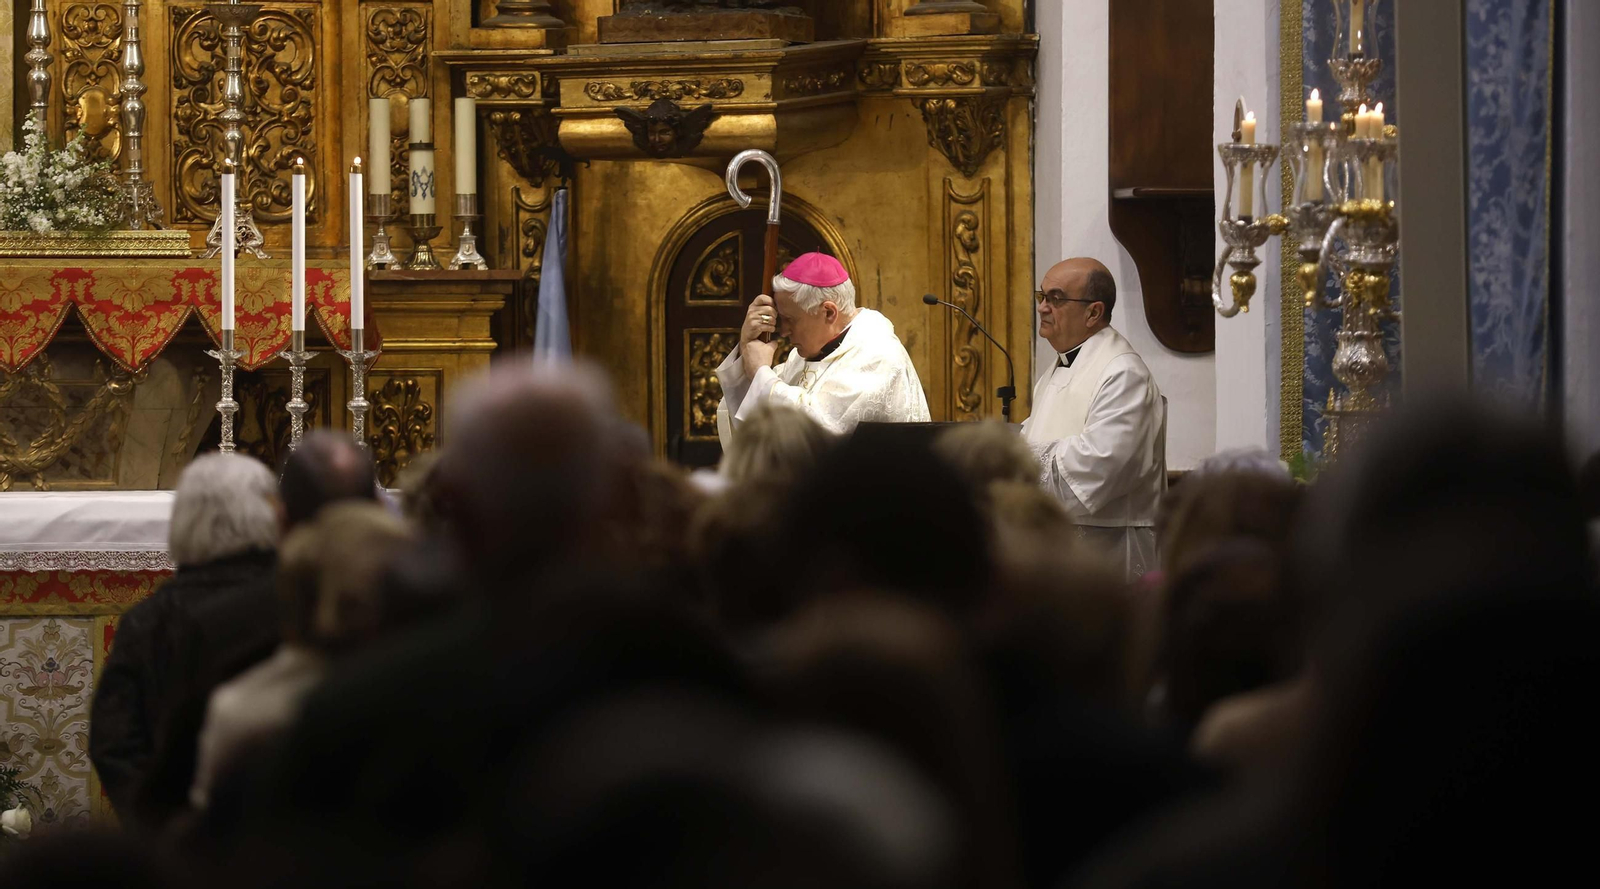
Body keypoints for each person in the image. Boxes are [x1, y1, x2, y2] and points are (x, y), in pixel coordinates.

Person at [89, 453, 280, 820]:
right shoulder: (301, 600)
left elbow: (114, 742)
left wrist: (162, 830)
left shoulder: (151, 620)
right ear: (270, 511)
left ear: (183, 518)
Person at [1023, 258, 1166, 579]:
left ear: (1093, 313)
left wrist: (1019, 460)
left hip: (1108, 553)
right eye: (1042, 296)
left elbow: (1102, 462)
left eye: (1056, 298)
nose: (1043, 307)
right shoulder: (1058, 367)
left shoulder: (1122, 372)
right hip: (1058, 549)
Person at [715, 252, 930, 446]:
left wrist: (761, 373)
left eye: (790, 319)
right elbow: (755, 424)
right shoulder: (802, 356)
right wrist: (746, 347)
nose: (784, 331)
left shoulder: (877, 354)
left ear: (828, 312)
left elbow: (820, 431)